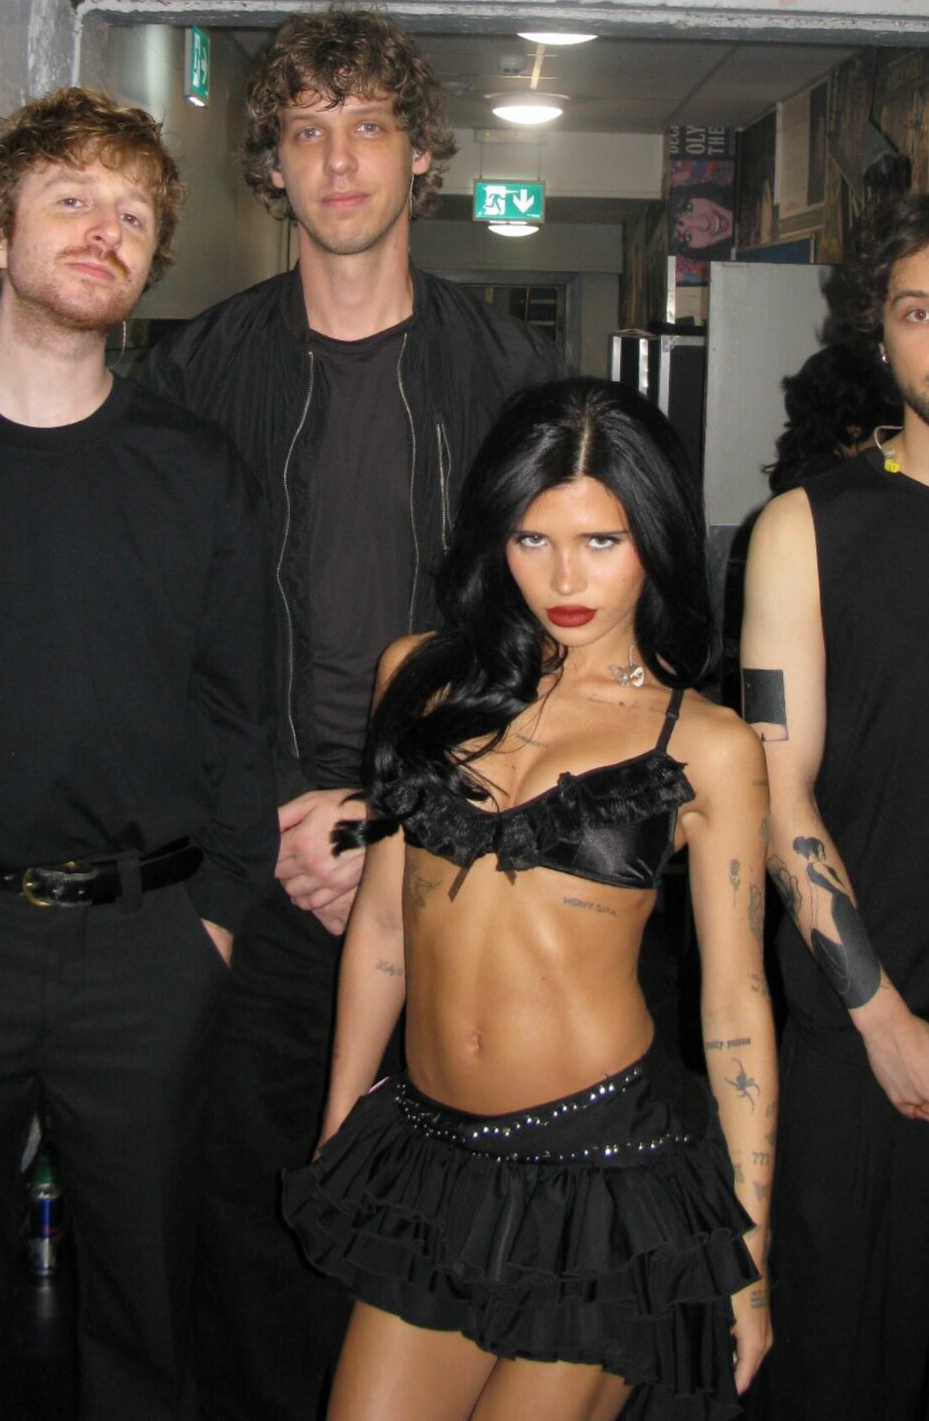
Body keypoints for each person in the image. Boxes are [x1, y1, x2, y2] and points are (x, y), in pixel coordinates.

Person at [142, 5, 566, 1419]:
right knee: (257, 1223)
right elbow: (163, 639)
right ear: (270, 164)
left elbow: (555, 642)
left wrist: (395, 813)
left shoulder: (510, 381)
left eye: (368, 126)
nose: (338, 160)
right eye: (306, 131)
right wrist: (277, 814)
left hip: (459, 859)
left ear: (421, 154)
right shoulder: (195, 374)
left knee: (449, 1217)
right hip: (259, 869)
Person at [284, 377, 775, 1421]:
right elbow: (385, 927)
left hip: (606, 1174)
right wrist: (340, 1119)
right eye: (531, 538)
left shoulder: (708, 743)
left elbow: (734, 1008)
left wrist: (750, 1257)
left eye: (602, 542)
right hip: (429, 1155)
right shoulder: (418, 678)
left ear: (655, 538)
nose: (564, 578)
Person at [0, 87, 275, 1419]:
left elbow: (242, 716)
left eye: (135, 214)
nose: (108, 229)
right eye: (74, 199)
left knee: (149, 1312)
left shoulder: (195, 469)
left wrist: (215, 921)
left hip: (147, 945)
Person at [740, 186, 929, 1420]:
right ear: (880, 335)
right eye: (918, 313)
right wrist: (883, 1022)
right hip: (858, 1057)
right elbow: (779, 791)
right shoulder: (805, 531)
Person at [763, 338, 899, 495]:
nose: (885, 439)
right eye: (882, 428)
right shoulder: (843, 487)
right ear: (854, 428)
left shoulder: (798, 467)